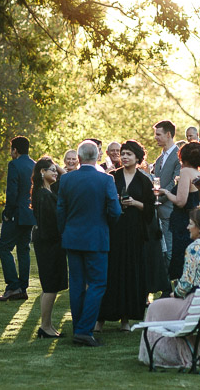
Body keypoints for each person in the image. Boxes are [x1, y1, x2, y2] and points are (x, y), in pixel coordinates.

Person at [137, 208, 200, 369]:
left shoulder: (195, 247)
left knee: (155, 307)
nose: (187, 227)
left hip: (196, 304)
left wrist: (176, 293)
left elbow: (186, 283)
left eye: (190, 224)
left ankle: (163, 355)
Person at [57, 140, 122, 347]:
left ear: (78, 158)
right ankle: (84, 330)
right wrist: (106, 225)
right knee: (97, 284)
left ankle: (79, 328)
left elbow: (60, 210)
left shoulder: (66, 179)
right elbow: (116, 211)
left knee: (77, 284)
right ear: (96, 157)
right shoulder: (106, 179)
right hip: (97, 237)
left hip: (73, 237)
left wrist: (65, 231)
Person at [98, 140, 155, 331]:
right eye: (123, 154)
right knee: (110, 273)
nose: (124, 157)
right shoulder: (112, 177)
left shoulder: (144, 180)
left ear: (137, 158)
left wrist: (135, 203)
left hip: (134, 232)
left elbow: (150, 210)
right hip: (114, 230)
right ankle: (101, 319)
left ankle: (125, 319)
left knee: (131, 274)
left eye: (128, 154)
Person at [0, 136, 37, 302]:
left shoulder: (14, 165)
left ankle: (13, 286)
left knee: (4, 248)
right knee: (23, 250)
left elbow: (12, 192)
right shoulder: (34, 165)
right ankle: (23, 288)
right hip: (30, 214)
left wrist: (7, 212)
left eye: (11, 149)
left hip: (16, 214)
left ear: (15, 150)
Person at [158, 141, 200, 281]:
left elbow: (180, 201)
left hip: (183, 221)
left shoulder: (185, 172)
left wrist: (166, 192)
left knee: (181, 257)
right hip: (195, 220)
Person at [30, 156, 67, 338]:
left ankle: (48, 325)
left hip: (51, 242)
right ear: (42, 172)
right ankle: (45, 326)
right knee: (50, 286)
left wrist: (54, 165)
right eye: (51, 170)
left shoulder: (48, 190)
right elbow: (50, 223)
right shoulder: (43, 194)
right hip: (48, 243)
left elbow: (65, 178)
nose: (55, 172)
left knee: (51, 286)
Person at [151, 120, 181, 263]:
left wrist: (159, 199)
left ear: (168, 134)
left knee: (170, 250)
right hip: (157, 212)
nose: (155, 137)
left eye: (158, 134)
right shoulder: (159, 159)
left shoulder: (178, 156)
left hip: (169, 210)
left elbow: (175, 182)